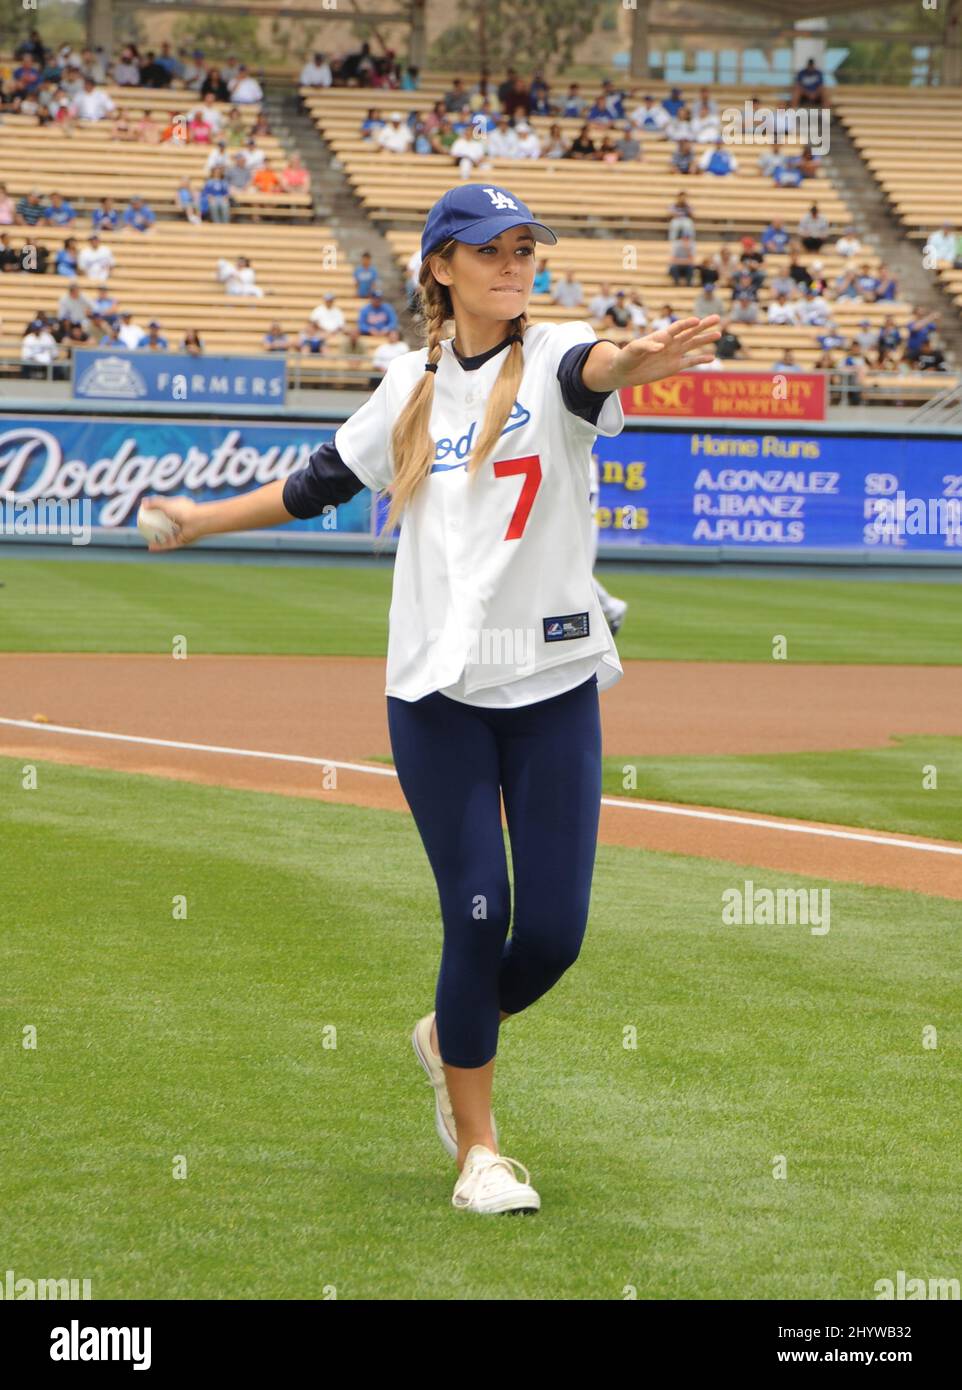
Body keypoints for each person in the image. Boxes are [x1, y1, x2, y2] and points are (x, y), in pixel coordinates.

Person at [139, 181, 721, 1216]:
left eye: (524, 248)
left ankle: (447, 1034)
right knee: (476, 910)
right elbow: (317, 484)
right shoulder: (404, 384)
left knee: (549, 936)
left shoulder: (554, 360)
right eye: (488, 249)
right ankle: (479, 1151)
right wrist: (198, 519)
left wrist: (634, 363)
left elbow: (597, 369)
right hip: (435, 696)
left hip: (548, 687)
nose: (511, 263)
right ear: (441, 267)